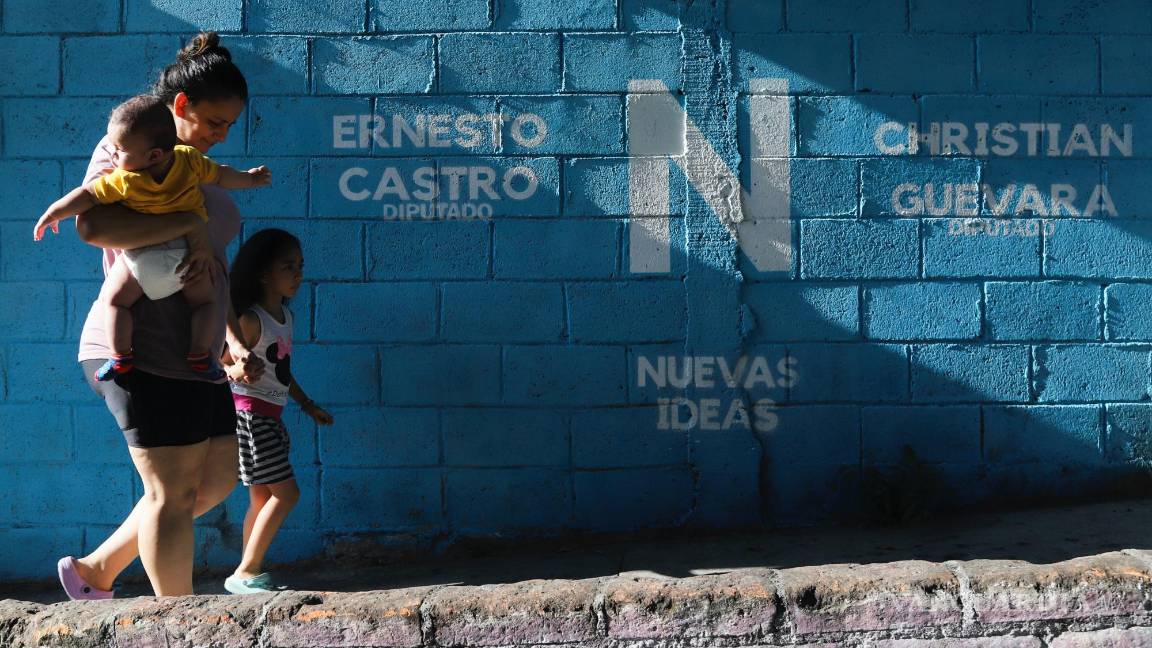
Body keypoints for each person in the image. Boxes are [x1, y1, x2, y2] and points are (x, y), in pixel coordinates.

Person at [55, 31, 265, 599]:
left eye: (230, 126)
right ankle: (179, 624)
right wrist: (187, 225)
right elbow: (93, 226)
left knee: (217, 478)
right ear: (181, 107)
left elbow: (208, 264)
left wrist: (230, 341)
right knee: (171, 493)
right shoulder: (127, 147)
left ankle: (96, 570)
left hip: (194, 350)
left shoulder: (192, 169)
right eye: (215, 123)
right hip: (136, 345)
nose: (222, 137)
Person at [35, 94, 272, 382]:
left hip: (142, 256)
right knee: (206, 303)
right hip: (188, 255)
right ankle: (200, 354)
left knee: (115, 301)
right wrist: (251, 179)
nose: (113, 155)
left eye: (119, 150)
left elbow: (87, 196)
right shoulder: (189, 161)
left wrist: (53, 212)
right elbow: (222, 176)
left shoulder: (125, 179)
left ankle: (120, 355)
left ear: (154, 155)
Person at [222, 228, 333, 594]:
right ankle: (246, 571)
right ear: (264, 273)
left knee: (260, 498)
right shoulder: (251, 320)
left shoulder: (285, 317)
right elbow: (220, 363)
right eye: (288, 266)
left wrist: (306, 404)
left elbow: (282, 371)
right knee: (287, 494)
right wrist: (235, 370)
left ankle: (247, 573)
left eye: (300, 266)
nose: (298, 274)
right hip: (251, 418)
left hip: (271, 416)